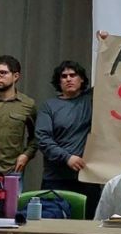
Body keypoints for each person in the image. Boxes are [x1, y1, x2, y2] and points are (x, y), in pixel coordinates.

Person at [35, 59, 100, 214]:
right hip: (55, 179)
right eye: (64, 76)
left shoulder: (91, 100)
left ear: (81, 79)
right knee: (54, 223)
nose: (68, 79)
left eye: (73, 75)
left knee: (88, 224)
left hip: (87, 178)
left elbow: (111, 79)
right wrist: (67, 158)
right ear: (59, 81)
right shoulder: (49, 106)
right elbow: (43, 138)